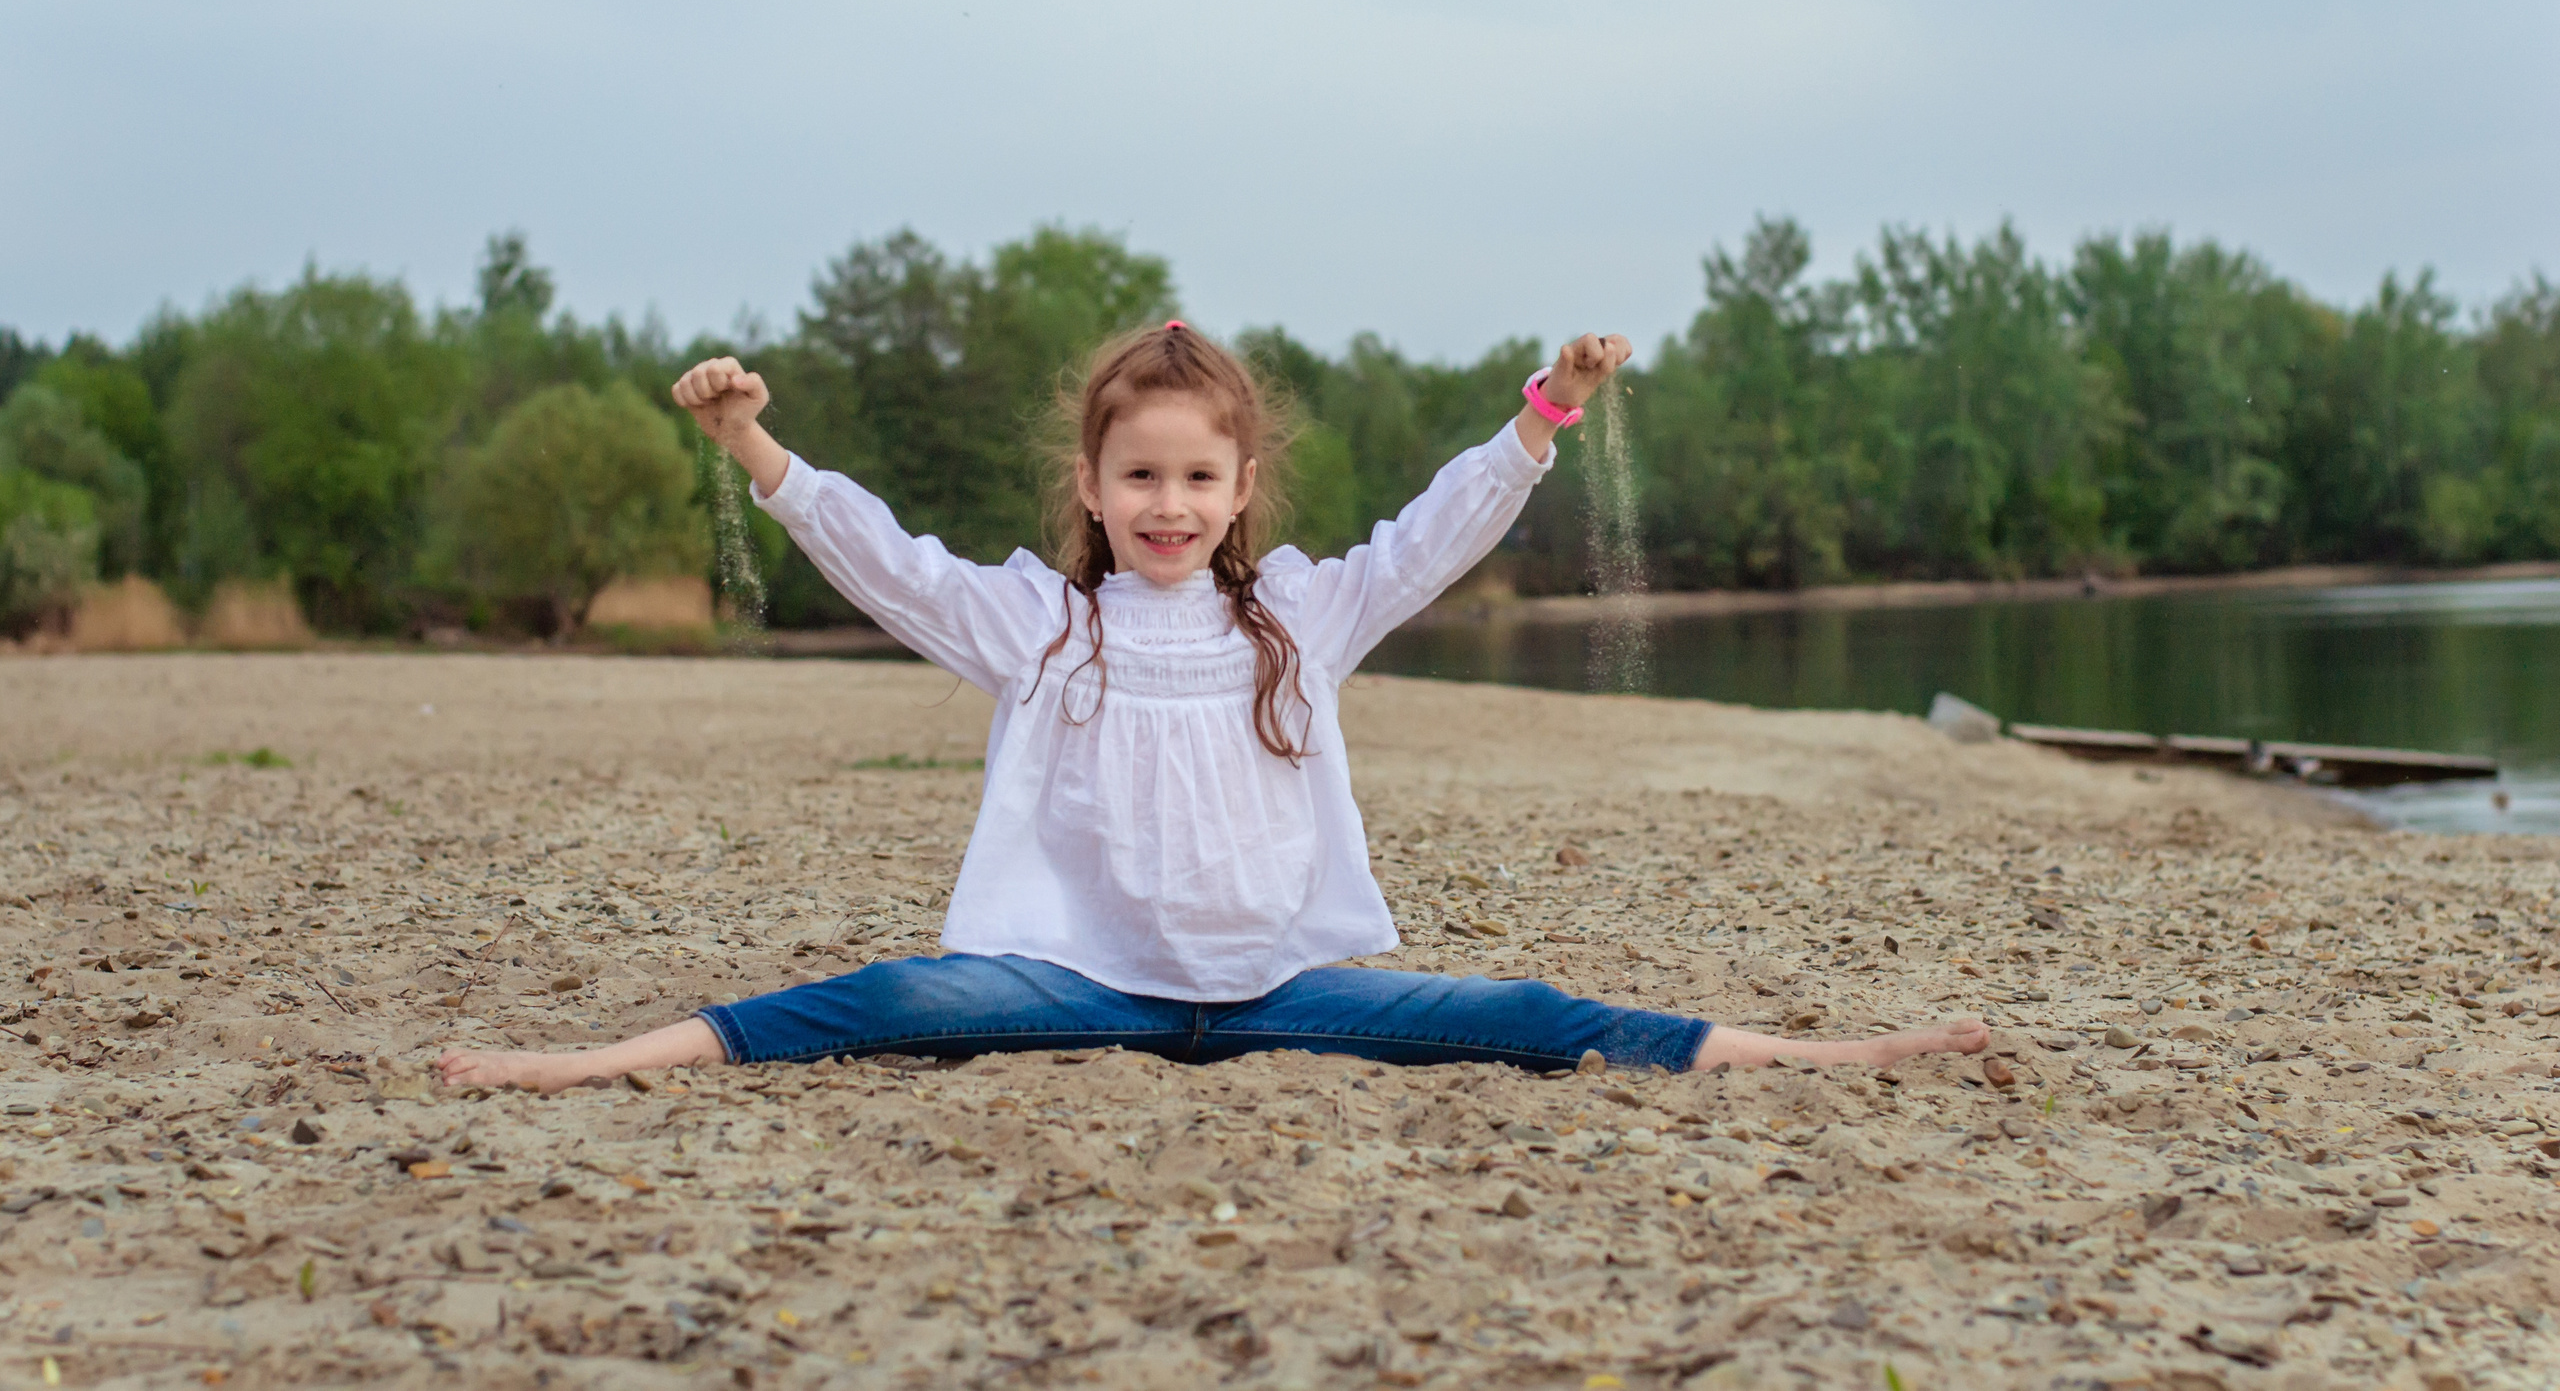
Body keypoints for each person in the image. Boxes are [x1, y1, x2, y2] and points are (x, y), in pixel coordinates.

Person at [439, 322, 1984, 1093]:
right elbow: (885, 560)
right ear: (1094, 492)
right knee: (894, 1000)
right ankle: (593, 1064)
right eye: (1139, 477)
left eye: (1196, 476)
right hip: (1082, 991)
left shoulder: (1304, 616)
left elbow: (1437, 533)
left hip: (1273, 993)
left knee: (1518, 1021)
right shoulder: (1041, 626)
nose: (1167, 503)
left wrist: (1544, 415)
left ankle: (1796, 1054)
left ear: (1240, 486)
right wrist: (759, 454)